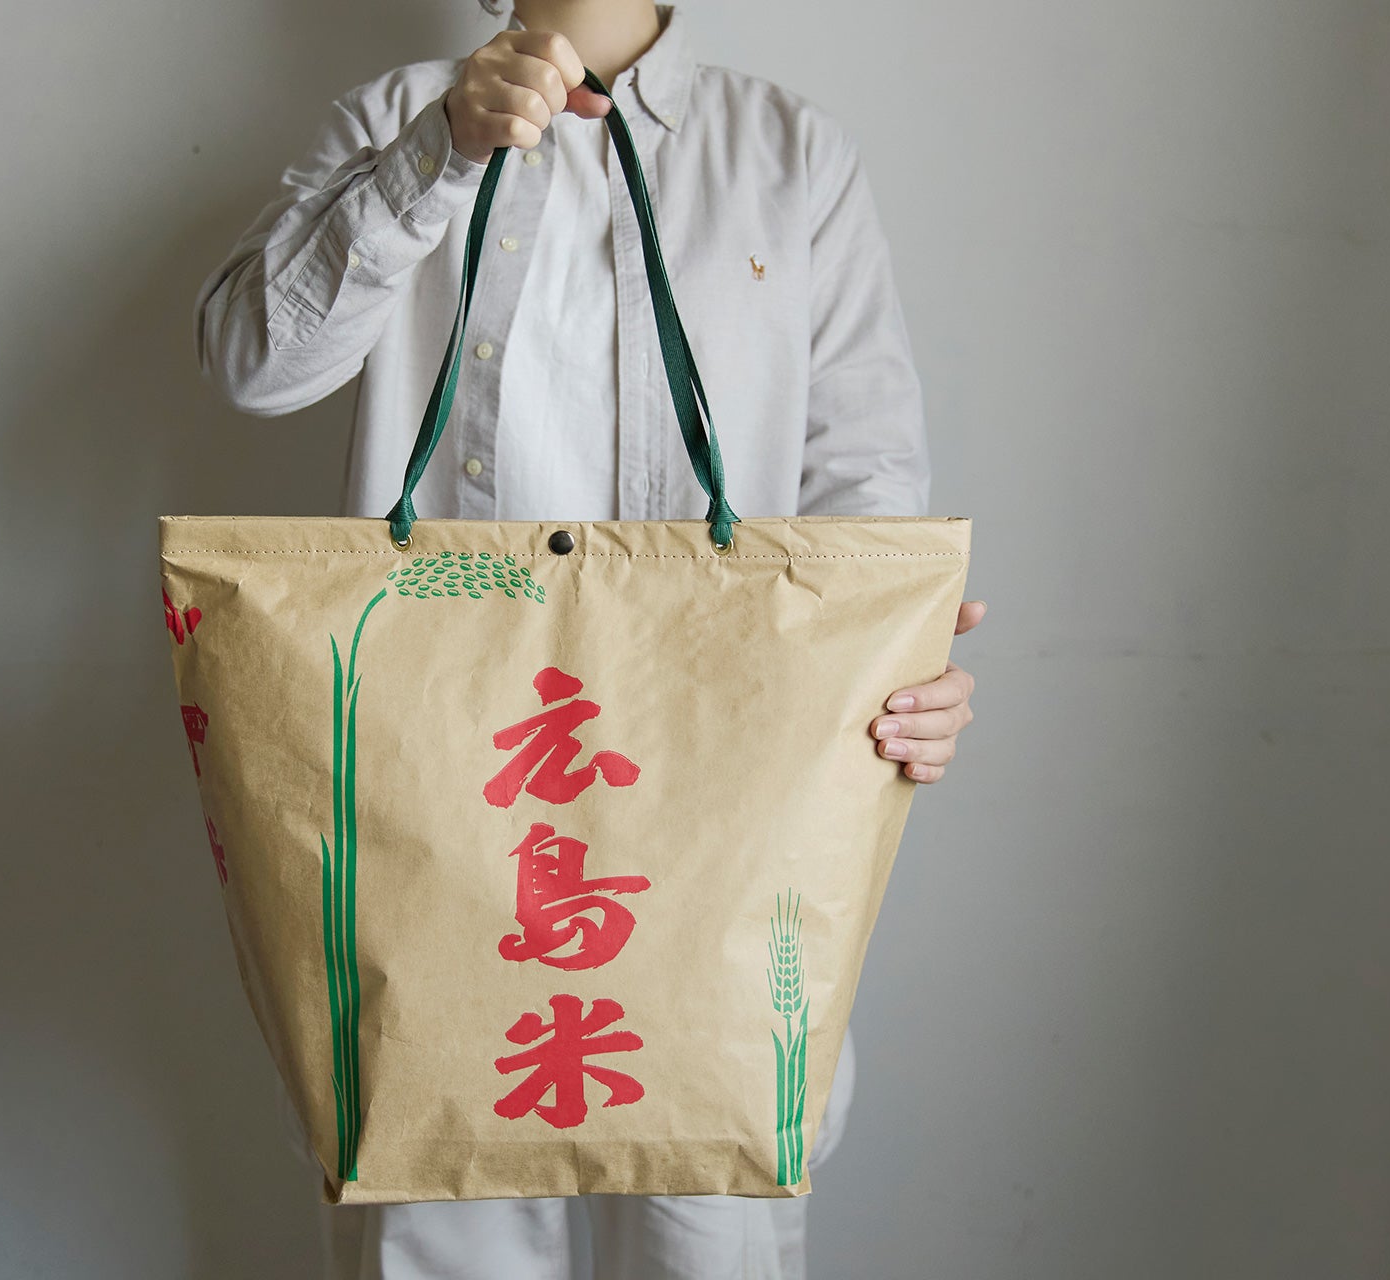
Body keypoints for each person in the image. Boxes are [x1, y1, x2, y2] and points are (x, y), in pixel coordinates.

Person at [195, 2, 986, 1275]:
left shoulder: (787, 153)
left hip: (729, 786)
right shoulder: (395, 117)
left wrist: (909, 665)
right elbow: (253, 362)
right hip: (430, 787)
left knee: (708, 1217)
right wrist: (439, 152)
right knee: (433, 1202)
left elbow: (868, 494)